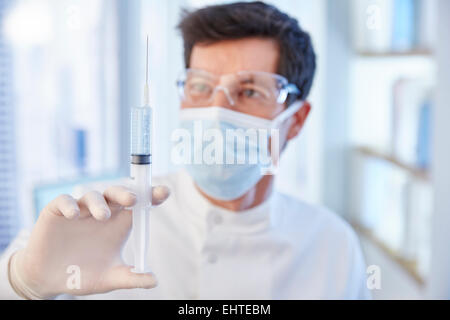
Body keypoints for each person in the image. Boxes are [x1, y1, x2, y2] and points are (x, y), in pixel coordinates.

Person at [0, 1, 370, 300]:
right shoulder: (101, 219)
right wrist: (24, 282)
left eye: (250, 91)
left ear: (297, 118)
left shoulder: (332, 246)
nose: (216, 112)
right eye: (200, 86)